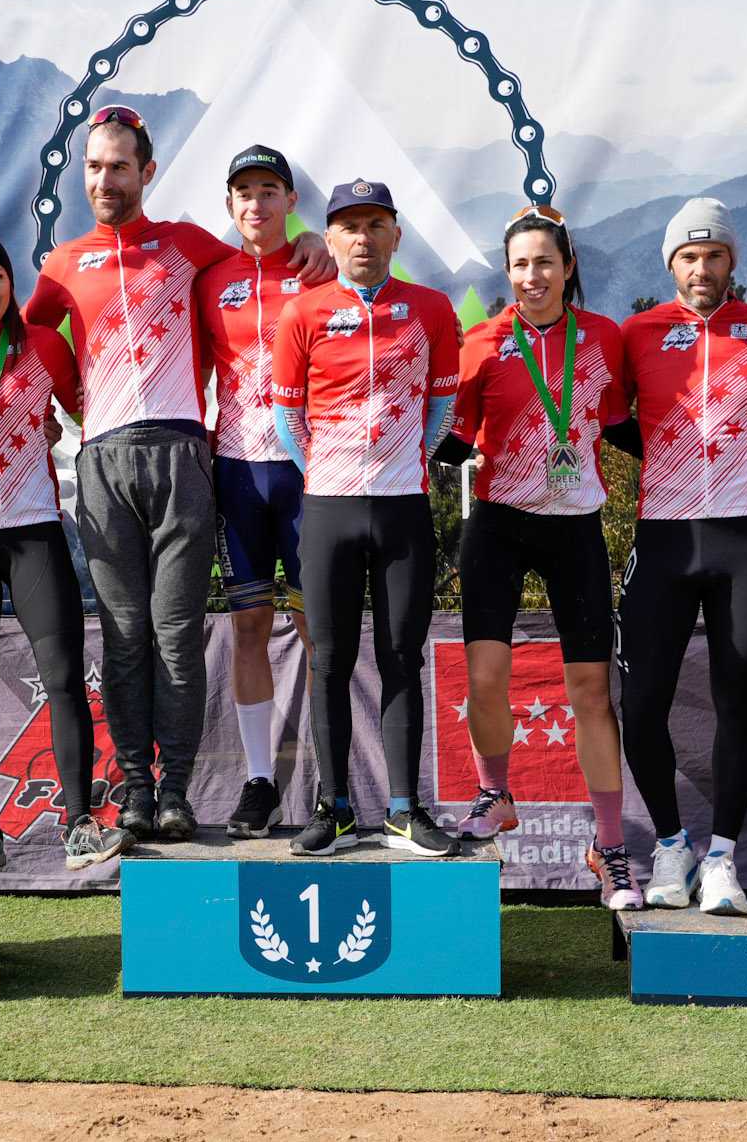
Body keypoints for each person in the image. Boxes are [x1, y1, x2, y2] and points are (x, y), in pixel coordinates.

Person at [23, 106, 331, 840]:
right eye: (94, 167)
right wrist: (65, 402)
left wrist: (314, 239)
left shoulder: (190, 246)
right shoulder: (64, 262)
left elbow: (266, 258)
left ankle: (177, 791)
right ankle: (133, 787)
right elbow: (20, 329)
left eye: (119, 166)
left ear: (147, 172)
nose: (105, 179)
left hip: (186, 453)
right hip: (102, 459)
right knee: (125, 636)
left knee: (177, 632)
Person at [438, 206, 642, 910]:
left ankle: (610, 847)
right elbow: (454, 443)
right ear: (508, 272)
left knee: (590, 692)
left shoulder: (606, 341)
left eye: (545, 262)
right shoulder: (483, 343)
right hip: (497, 524)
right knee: (486, 679)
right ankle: (496, 794)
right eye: (520, 264)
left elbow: (621, 425)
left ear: (568, 266)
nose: (533, 275)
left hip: (575, 526)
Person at [614, 199, 747, 915]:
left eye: (715, 255)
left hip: (746, 537)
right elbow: (610, 417)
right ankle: (672, 844)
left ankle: (724, 856)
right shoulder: (638, 332)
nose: (702, 268)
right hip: (663, 535)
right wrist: (672, 459)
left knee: (738, 696)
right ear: (670, 264)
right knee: (640, 703)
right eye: (689, 257)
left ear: (734, 261)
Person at [0, 234, 133, 876]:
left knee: (66, 678)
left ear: (13, 283)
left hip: (33, 528)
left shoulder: (44, 345)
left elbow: (87, 411)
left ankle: (78, 825)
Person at [271, 181, 462, 856]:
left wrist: (409, 460)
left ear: (395, 235)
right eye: (348, 226)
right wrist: (324, 473)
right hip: (327, 511)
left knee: (402, 656)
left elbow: (442, 407)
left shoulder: (432, 309)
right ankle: (336, 808)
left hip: (404, 507)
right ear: (330, 238)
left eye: (375, 224)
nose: (362, 238)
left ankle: (405, 810)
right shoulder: (304, 312)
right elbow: (286, 415)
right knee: (330, 661)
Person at [193, 145, 312, 839]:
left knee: (316, 629)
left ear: (291, 201)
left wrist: (321, 244)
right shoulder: (211, 279)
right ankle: (259, 780)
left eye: (270, 190)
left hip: (307, 472)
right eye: (244, 191)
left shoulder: (316, 269)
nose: (257, 203)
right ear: (230, 204)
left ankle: (333, 785)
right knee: (248, 626)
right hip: (236, 468)